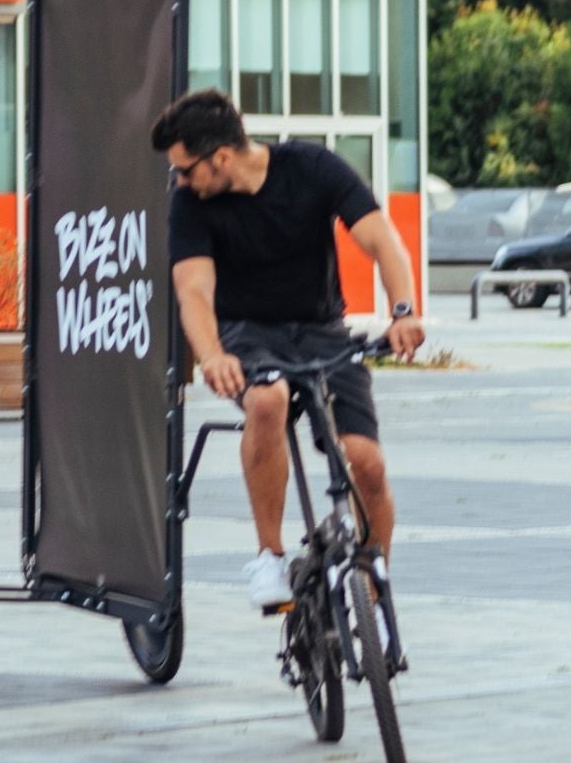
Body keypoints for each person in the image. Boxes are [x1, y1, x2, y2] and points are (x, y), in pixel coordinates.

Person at [151, 88, 425, 607]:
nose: (180, 181)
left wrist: (403, 312)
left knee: (366, 463)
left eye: (186, 169)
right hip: (246, 334)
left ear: (222, 158)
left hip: (321, 329)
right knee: (267, 400)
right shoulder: (191, 206)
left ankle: (373, 586)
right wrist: (211, 354)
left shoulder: (312, 167)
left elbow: (381, 240)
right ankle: (270, 558)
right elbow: (193, 291)